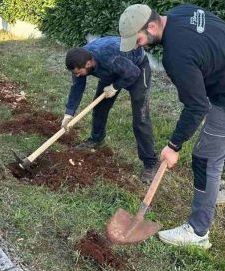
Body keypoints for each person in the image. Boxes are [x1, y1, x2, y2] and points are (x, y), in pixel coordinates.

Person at [119, 4, 225, 249]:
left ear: (151, 26)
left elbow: (197, 106)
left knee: (205, 157)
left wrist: (173, 145)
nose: (138, 45)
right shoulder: (181, 12)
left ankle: (197, 232)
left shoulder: (176, 54)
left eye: (137, 39)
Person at [63, 36, 158, 183]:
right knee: (99, 107)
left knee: (141, 117)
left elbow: (133, 72)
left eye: (78, 72)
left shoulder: (109, 57)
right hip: (111, 70)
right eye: (74, 73)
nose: (77, 75)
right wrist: (68, 114)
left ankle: (150, 163)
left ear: (88, 63)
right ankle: (96, 139)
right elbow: (77, 87)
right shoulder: (80, 60)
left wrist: (114, 87)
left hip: (136, 67)